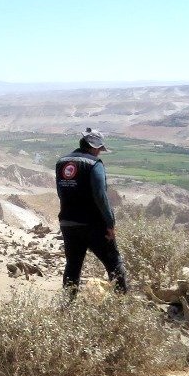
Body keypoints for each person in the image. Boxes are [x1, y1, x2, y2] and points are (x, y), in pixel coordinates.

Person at [55, 128, 128, 298]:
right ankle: (122, 305)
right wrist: (110, 223)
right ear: (94, 147)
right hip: (93, 224)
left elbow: (60, 192)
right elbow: (101, 196)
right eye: (99, 149)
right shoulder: (95, 164)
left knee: (72, 266)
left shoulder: (61, 162)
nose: (99, 152)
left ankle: (67, 307)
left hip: (67, 222)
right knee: (114, 263)